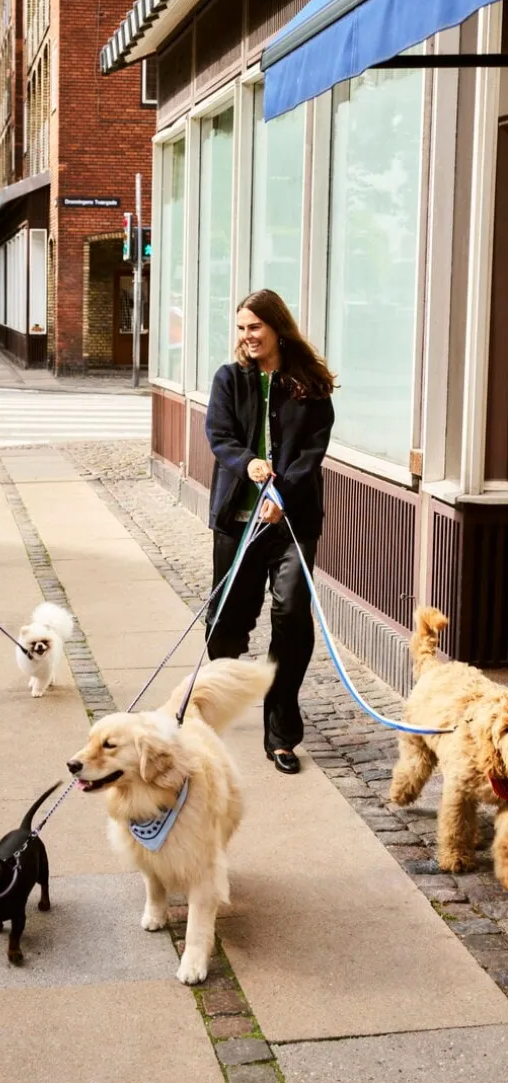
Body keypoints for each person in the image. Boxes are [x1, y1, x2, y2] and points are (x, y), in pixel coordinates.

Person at [204, 289, 335, 775]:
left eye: (255, 327)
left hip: (292, 526)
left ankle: (280, 732)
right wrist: (249, 464)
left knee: (292, 619)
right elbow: (219, 436)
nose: (247, 336)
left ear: (277, 327)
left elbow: (311, 453)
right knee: (227, 624)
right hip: (238, 523)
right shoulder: (229, 379)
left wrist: (284, 495)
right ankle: (215, 703)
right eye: (241, 328)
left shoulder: (311, 384)